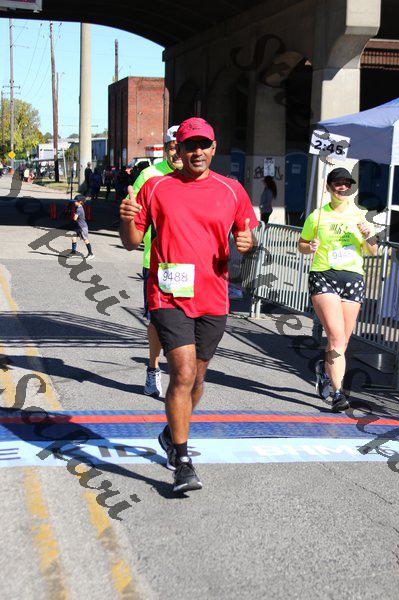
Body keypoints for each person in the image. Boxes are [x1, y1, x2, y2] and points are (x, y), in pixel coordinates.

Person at [119, 117, 258, 493]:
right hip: (168, 294)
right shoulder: (157, 186)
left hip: (213, 297)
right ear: (177, 150)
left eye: (203, 145)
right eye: (189, 145)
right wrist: (126, 220)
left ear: (214, 148)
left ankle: (170, 433)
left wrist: (248, 245)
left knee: (197, 379)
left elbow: (248, 237)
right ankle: (182, 461)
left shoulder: (232, 190)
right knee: (181, 373)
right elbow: (132, 242)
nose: (197, 151)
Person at [297, 167, 377, 412]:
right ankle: (338, 393)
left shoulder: (361, 215)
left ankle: (324, 371)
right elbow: (301, 244)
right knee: (336, 336)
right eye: (337, 183)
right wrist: (309, 247)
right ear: (329, 187)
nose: (342, 188)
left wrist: (368, 236)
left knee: (343, 341)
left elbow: (373, 251)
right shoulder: (318, 216)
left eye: (346, 184)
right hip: (324, 275)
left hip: (353, 278)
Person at [126, 125, 183, 399]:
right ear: (166, 148)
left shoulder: (196, 176)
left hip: (191, 263)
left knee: (190, 319)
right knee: (158, 320)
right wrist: (129, 212)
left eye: (181, 147)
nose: (177, 153)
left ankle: (183, 372)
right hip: (158, 262)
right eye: (172, 147)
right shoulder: (150, 175)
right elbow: (133, 213)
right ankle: (153, 368)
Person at [69, 194, 95, 260]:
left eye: (75, 201)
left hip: (82, 227)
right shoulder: (78, 207)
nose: (74, 202)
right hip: (78, 227)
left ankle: (91, 254)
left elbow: (75, 218)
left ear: (80, 202)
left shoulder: (79, 209)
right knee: (73, 238)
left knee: (85, 240)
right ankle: (73, 252)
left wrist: (73, 214)